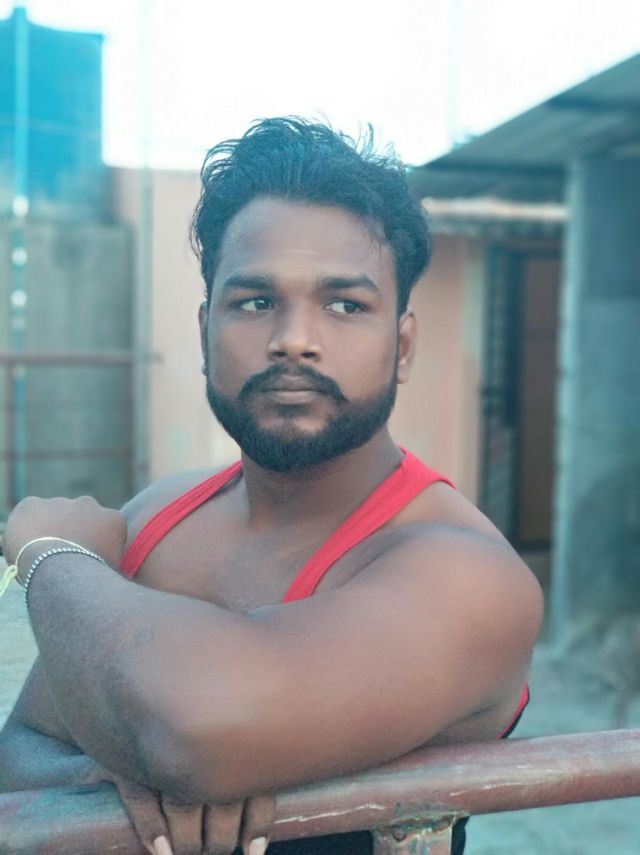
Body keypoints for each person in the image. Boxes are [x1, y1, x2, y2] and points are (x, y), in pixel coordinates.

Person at [0, 118, 542, 855]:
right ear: (205, 331)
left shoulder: (468, 574)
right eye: (255, 301)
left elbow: (199, 727)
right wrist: (112, 773)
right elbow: (22, 745)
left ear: (402, 345)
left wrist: (51, 553)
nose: (294, 339)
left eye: (345, 305)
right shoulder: (157, 517)